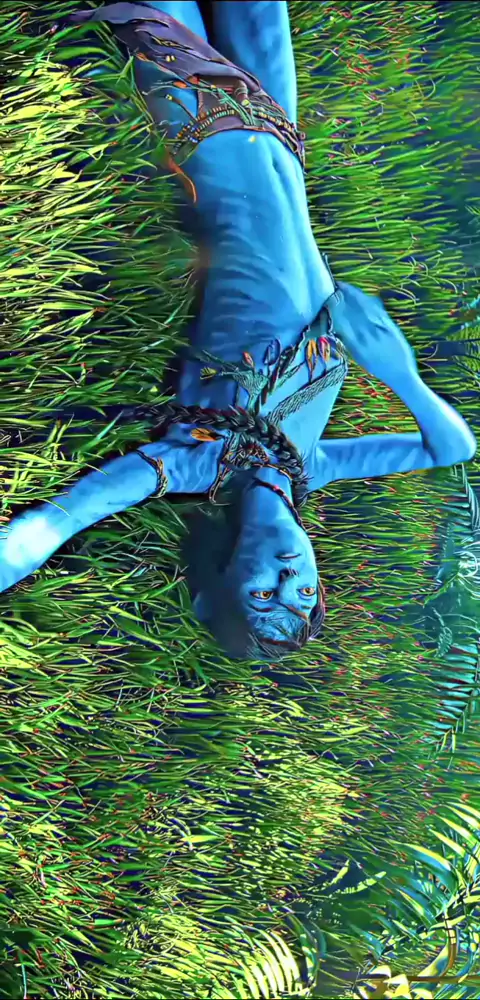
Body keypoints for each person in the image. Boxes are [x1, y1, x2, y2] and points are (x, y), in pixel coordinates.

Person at [0, 1, 476, 660]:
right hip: (280, 133)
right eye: (303, 594)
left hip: (205, 126)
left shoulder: (191, 462)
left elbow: (52, 526)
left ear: (218, 582)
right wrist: (401, 376)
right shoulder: (312, 465)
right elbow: (451, 448)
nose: (287, 577)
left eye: (261, 594)